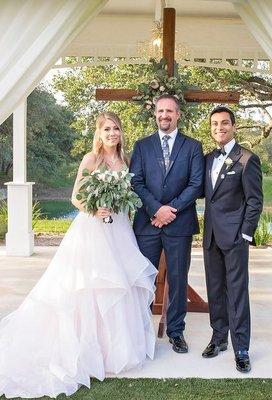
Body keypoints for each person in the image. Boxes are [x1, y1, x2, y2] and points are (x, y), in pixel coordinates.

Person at [0, 112, 157, 398]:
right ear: (99, 133)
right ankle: (88, 351)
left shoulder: (127, 161)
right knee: (92, 287)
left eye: (117, 129)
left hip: (120, 229)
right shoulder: (91, 160)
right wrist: (94, 209)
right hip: (94, 229)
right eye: (107, 129)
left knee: (121, 286)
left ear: (122, 132)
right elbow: (76, 196)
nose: (112, 133)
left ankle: (113, 352)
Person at [130, 94, 204, 354]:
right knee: (143, 278)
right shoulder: (142, 146)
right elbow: (135, 182)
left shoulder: (193, 147)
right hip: (146, 224)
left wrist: (169, 211)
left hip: (179, 224)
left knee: (178, 277)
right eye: (161, 111)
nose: (165, 115)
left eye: (170, 111)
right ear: (155, 114)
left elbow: (196, 184)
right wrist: (155, 209)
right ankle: (139, 330)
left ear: (178, 114)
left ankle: (175, 332)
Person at [202, 106, 263, 373]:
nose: (219, 128)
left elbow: (255, 200)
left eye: (224, 123)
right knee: (215, 290)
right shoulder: (206, 159)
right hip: (211, 237)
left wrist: (245, 235)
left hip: (235, 238)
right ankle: (218, 338)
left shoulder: (247, 159)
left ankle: (241, 348)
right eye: (214, 124)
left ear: (234, 126)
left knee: (237, 294)